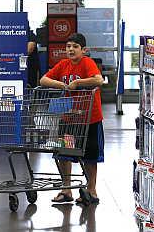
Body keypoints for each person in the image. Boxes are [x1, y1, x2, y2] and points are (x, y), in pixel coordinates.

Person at [40, 33, 104, 205]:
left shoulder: (87, 63)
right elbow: (43, 79)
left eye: (75, 46)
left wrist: (78, 83)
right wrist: (60, 84)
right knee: (64, 154)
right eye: (68, 46)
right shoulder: (63, 65)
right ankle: (66, 189)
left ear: (83, 50)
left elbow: (99, 80)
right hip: (68, 118)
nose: (70, 49)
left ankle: (92, 189)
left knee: (90, 156)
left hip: (89, 119)